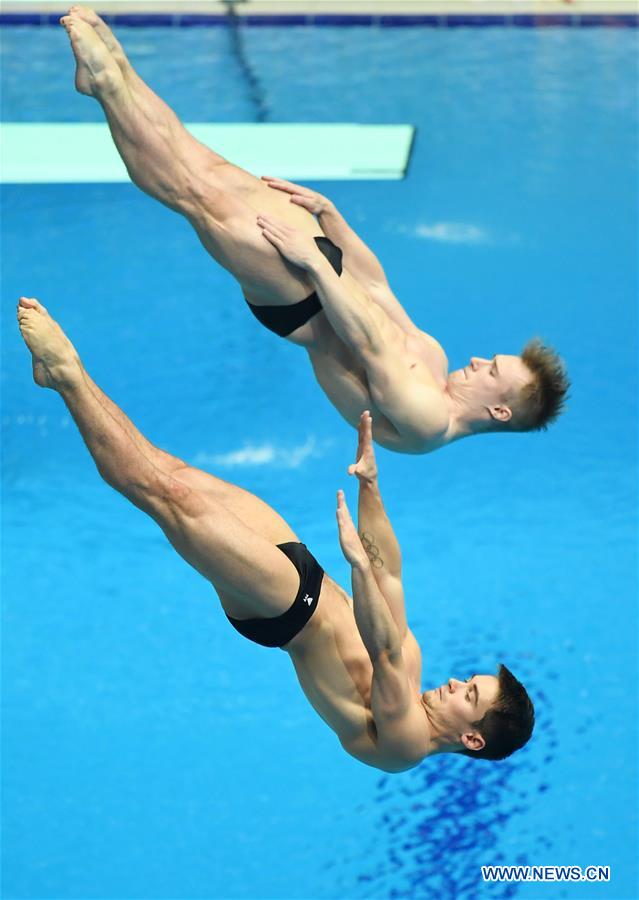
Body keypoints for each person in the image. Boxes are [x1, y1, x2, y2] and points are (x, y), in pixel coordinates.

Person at [17, 296, 535, 771]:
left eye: (469, 696)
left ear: (472, 739)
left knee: (166, 497)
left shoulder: (405, 747)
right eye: (470, 681)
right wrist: (370, 489)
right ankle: (59, 377)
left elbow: (384, 654)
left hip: (286, 611)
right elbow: (389, 575)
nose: (455, 683)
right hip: (301, 567)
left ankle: (67, 374)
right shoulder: (418, 665)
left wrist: (356, 565)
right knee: (172, 471)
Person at [59, 7, 568, 454]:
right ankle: (118, 71)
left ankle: (107, 87)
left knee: (190, 193)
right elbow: (376, 288)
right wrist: (333, 218)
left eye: (492, 370)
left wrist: (315, 263)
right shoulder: (434, 359)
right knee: (207, 166)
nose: (478, 360)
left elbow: (365, 341)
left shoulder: (427, 423)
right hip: (324, 266)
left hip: (301, 302)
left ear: (500, 411)